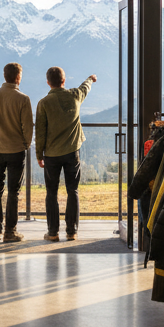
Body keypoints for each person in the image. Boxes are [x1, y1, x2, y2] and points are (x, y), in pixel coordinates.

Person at [34, 67, 96, 242]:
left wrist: (39, 154)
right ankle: (72, 231)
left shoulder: (43, 103)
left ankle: (52, 232)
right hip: (71, 152)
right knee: (72, 191)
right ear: (64, 80)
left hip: (51, 155)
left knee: (51, 192)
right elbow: (85, 87)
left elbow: (40, 131)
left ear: (48, 82)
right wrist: (91, 78)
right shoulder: (75, 95)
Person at [0, 62, 33, 243]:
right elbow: (28, 128)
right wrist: (25, 144)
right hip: (16, 150)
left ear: (4, 76)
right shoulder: (23, 99)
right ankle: (10, 232)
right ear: (18, 77)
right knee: (13, 192)